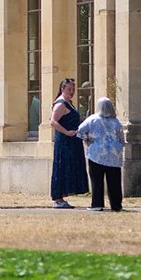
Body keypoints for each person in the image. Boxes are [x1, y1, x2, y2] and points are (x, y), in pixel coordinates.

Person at [77, 96, 125, 211]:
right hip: (114, 155)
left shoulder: (93, 119)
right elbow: (121, 139)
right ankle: (116, 205)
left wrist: (87, 139)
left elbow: (80, 130)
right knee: (114, 182)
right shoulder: (116, 122)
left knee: (97, 181)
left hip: (97, 154)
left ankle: (97, 204)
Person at [49, 78, 88, 208]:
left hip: (73, 141)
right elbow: (53, 121)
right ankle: (57, 198)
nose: (72, 92)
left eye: (73, 89)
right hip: (65, 142)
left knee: (69, 167)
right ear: (62, 89)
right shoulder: (61, 104)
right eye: (69, 89)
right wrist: (66, 132)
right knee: (62, 167)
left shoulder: (69, 103)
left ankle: (62, 198)